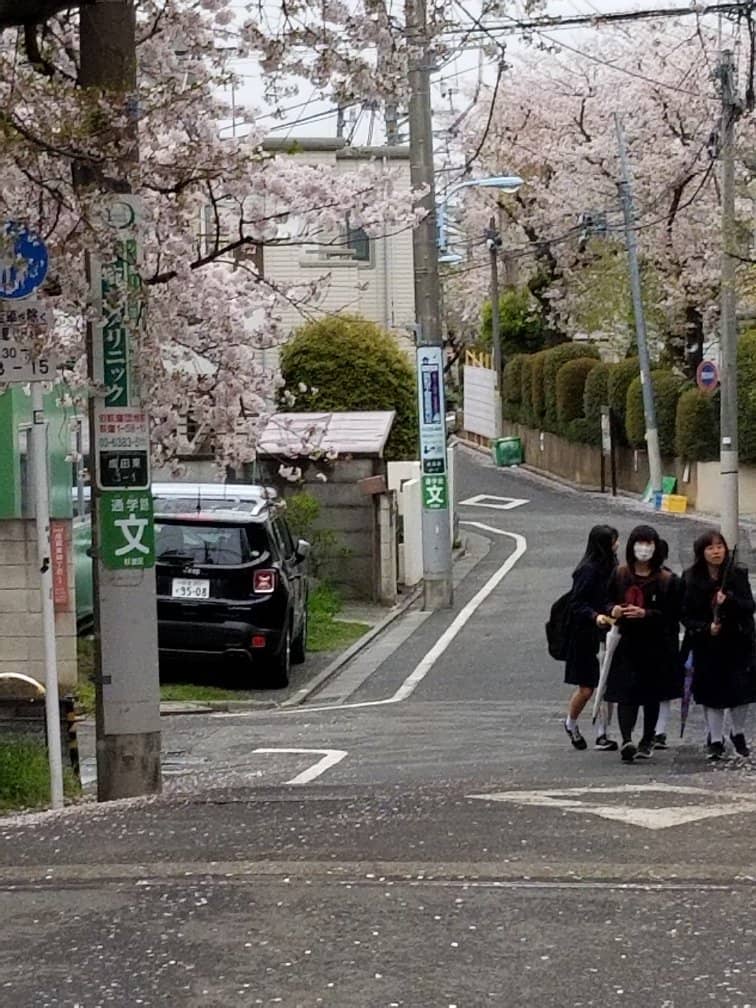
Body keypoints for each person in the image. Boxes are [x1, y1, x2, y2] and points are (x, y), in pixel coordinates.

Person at [604, 524, 681, 763]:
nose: (644, 549)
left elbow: (673, 615)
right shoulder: (620, 574)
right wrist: (614, 609)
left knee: (651, 695)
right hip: (626, 642)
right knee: (626, 693)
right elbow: (606, 601)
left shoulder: (667, 579)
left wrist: (646, 614)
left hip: (656, 645)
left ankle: (648, 738)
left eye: (649, 544)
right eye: (640, 543)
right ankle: (627, 739)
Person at [681, 531, 756, 760]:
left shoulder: (737, 574)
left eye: (719, 547)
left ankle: (738, 732)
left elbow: (749, 606)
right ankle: (715, 739)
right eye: (710, 548)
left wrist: (730, 601)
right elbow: (685, 614)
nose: (716, 552)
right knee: (712, 692)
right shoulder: (691, 578)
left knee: (741, 691)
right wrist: (705, 628)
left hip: (738, 642)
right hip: (707, 644)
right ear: (701, 552)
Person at [563, 524, 619, 751]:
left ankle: (603, 733)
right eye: (614, 540)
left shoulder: (613, 566)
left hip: (609, 632)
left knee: (608, 685)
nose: (617, 545)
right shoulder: (587, 570)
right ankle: (571, 722)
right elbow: (576, 604)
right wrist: (595, 616)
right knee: (587, 688)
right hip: (584, 635)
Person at [652, 539, 685, 749]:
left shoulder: (670, 580)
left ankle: (657, 731)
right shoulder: (673, 579)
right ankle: (659, 731)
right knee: (664, 688)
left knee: (657, 687)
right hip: (668, 639)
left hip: (659, 639)